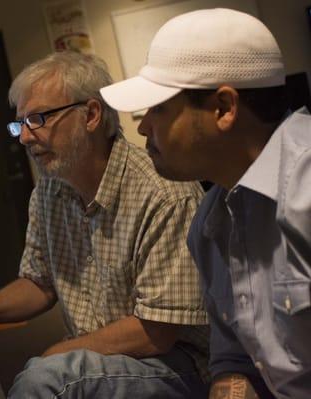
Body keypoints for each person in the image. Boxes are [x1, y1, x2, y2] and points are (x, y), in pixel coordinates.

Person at [0, 51, 209, 397]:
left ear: (91, 115)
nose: (25, 138)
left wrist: (58, 353)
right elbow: (39, 284)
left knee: (45, 379)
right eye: (21, 124)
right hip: (96, 353)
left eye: (39, 119)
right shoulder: (50, 190)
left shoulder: (163, 194)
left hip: (172, 363)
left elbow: (157, 331)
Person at [101, 8, 310, 399]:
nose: (143, 126)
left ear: (224, 109)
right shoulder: (212, 223)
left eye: (159, 108)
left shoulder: (305, 192)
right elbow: (236, 363)